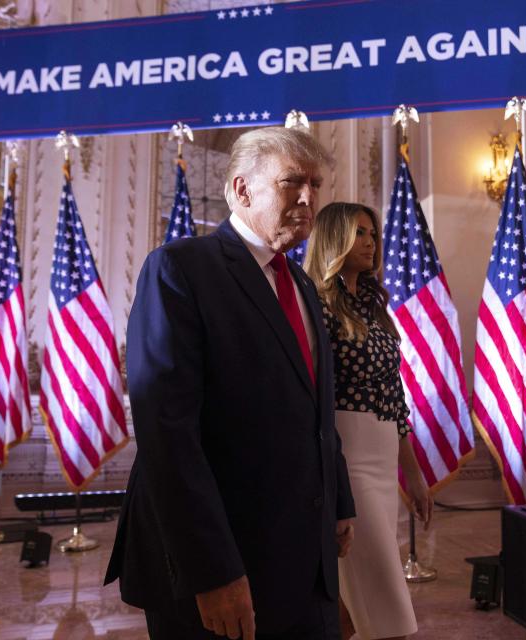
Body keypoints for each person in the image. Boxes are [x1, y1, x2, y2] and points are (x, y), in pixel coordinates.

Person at [106, 127, 356, 640]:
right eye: (292, 183)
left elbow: (316, 411)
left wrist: (339, 501)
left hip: (303, 555)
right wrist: (211, 569)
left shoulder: (303, 283)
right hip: (221, 562)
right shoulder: (179, 269)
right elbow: (168, 437)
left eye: (316, 184)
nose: (309, 198)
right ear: (242, 190)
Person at [304, 202, 433, 640]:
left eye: (373, 234)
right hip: (347, 459)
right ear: (335, 238)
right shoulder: (316, 306)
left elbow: (393, 395)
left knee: (349, 605)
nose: (371, 242)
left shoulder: (374, 308)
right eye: (360, 233)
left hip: (382, 457)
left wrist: (412, 473)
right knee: (384, 596)